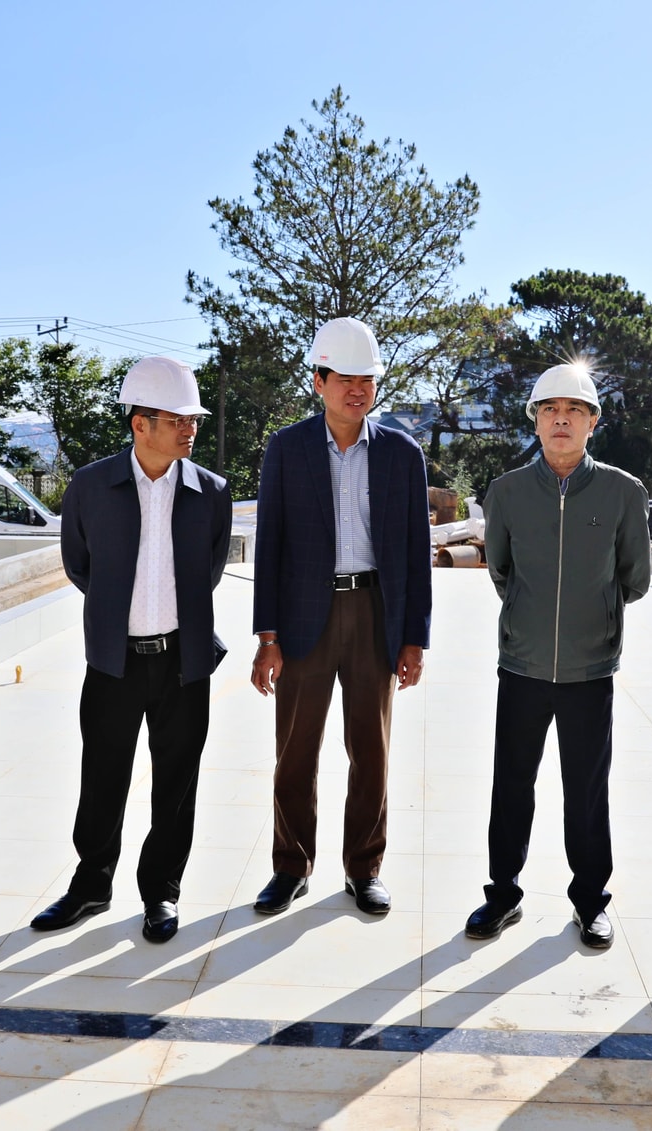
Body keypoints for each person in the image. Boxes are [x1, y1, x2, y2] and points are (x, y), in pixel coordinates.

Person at [31, 357, 231, 944]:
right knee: (102, 776)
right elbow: (80, 565)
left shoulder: (211, 493)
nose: (190, 429)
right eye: (178, 419)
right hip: (113, 663)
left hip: (183, 664)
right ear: (140, 423)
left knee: (177, 784)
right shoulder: (91, 486)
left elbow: (210, 570)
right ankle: (92, 883)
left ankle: (161, 891)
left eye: (194, 419)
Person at [249, 317, 431, 918]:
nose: (357, 389)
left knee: (371, 751)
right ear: (319, 381)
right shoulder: (287, 448)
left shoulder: (402, 454)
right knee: (295, 751)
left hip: (375, 613)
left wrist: (414, 638)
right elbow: (270, 546)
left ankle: (364, 868)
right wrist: (268, 636)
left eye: (367, 379)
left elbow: (415, 552)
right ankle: (290, 866)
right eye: (345, 378)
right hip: (305, 617)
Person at [464, 363, 650, 950]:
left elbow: (634, 578)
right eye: (550, 409)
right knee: (511, 784)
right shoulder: (507, 492)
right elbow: (501, 571)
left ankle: (590, 901)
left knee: (587, 790)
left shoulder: (623, 492)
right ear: (536, 421)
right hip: (521, 665)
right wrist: (531, 616)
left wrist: (594, 619)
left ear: (593, 422)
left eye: (574, 410)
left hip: (589, 669)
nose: (561, 419)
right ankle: (502, 894)